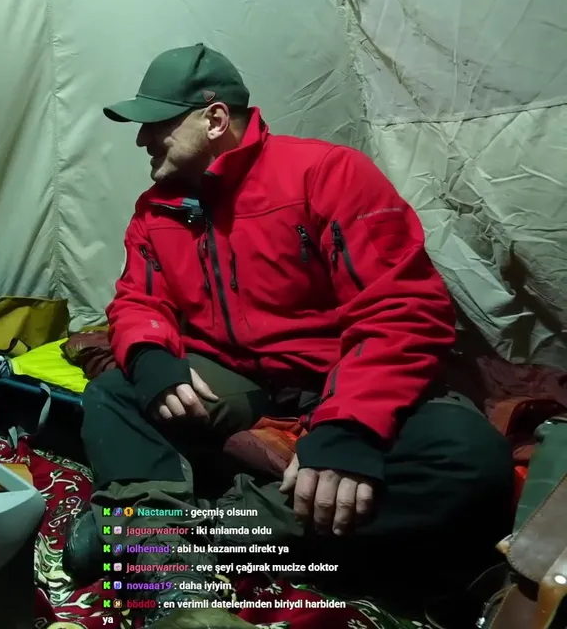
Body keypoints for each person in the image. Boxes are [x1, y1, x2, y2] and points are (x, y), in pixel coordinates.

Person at [63, 44, 514, 629]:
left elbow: (401, 309)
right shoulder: (157, 210)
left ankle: (174, 538)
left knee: (470, 461)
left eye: (157, 124)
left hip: (340, 374)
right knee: (116, 391)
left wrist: (348, 427)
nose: (143, 140)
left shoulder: (327, 174)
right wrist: (150, 355)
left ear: (215, 119)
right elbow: (137, 299)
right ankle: (161, 542)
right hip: (244, 377)